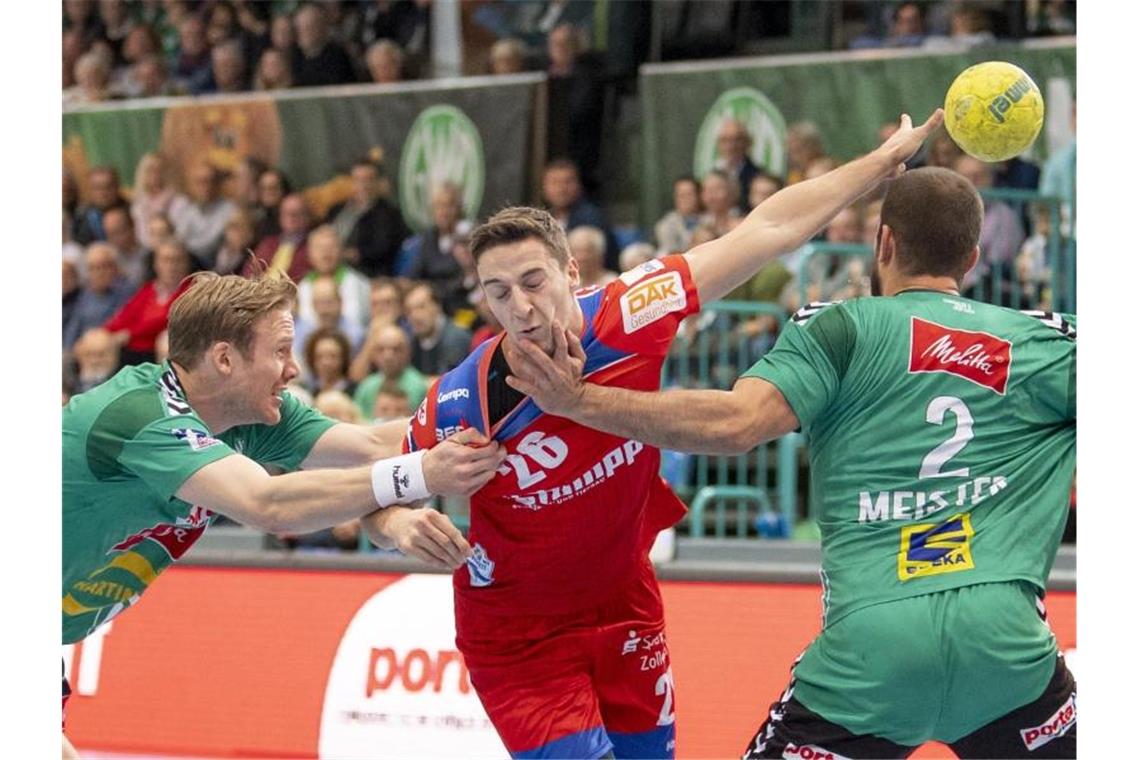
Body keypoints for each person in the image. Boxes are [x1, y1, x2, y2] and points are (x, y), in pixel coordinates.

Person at [360, 108, 943, 760]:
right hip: (518, 637)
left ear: (571, 274)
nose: (520, 309)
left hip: (624, 605)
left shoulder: (630, 313)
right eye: (498, 293)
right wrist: (397, 526)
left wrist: (878, 164)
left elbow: (768, 229)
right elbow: (371, 487)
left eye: (533, 282)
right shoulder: (468, 400)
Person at [507, 163, 1076, 759]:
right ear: (974, 256)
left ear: (883, 243)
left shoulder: (839, 328)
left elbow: (735, 423)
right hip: (1006, 651)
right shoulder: (1049, 343)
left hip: (870, 655)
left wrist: (576, 399)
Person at [63, 270, 506, 760]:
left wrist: (504, 409)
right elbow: (269, 505)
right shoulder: (140, 414)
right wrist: (420, 475)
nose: (294, 370)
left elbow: (371, 445)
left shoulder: (249, 416)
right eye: (279, 352)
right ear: (225, 359)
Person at [104, 239, 194, 365]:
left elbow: (167, 319)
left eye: (177, 260)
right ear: (156, 264)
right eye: (166, 260)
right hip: (131, 347)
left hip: (155, 348)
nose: (171, 266)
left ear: (186, 263)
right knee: (97, 341)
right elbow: (125, 316)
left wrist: (130, 334)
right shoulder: (148, 289)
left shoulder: (190, 290)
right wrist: (108, 332)